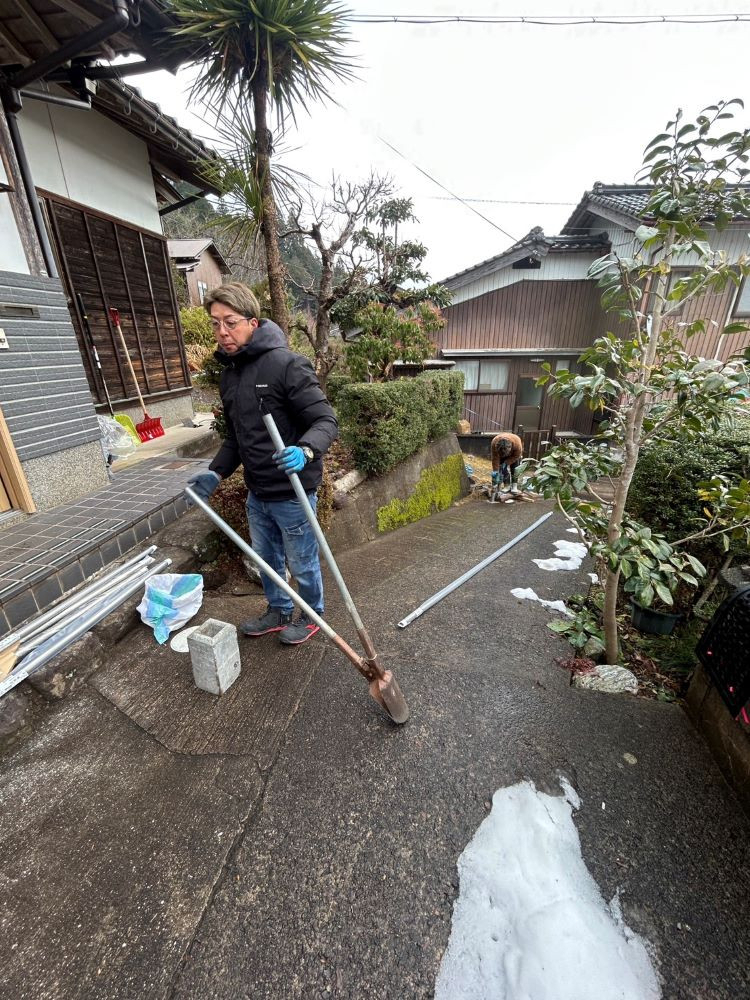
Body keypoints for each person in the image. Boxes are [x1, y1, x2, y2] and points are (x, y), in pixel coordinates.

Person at [187, 283, 338, 646]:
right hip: (258, 491)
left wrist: (305, 450)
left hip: (293, 492)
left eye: (230, 322)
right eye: (215, 323)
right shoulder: (230, 375)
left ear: (253, 323)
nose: (221, 332)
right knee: (266, 559)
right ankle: (279, 610)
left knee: (301, 562)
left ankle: (312, 614)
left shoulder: (287, 365)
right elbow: (237, 438)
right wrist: (216, 472)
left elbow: (325, 421)